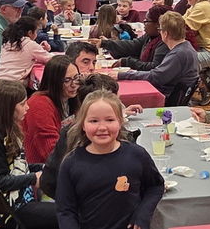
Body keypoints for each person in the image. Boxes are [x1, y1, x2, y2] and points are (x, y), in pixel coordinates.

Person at [56, 90, 164, 229]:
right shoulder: (71, 164)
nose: (102, 127)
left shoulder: (137, 155)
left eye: (110, 120)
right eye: (94, 121)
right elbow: (65, 210)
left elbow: (155, 186)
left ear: (120, 121)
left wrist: (142, 214)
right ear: (83, 124)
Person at [0, 80, 57, 229]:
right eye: (22, 104)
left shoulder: (10, 130)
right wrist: (33, 178)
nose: (27, 107)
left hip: (23, 197)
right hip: (15, 207)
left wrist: (43, 167)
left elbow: (18, 166)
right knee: (68, 214)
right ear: (7, 109)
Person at [108, 11, 198, 100]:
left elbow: (155, 77)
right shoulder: (186, 47)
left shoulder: (178, 54)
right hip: (173, 94)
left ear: (165, 34)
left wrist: (123, 75)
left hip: (168, 98)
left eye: (160, 30)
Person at [23, 55, 79, 164]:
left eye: (76, 78)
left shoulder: (72, 98)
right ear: (54, 81)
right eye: (67, 80)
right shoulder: (38, 105)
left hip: (66, 160)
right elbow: (50, 152)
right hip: (41, 168)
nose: (74, 85)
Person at [99, 5, 171, 71]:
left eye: (147, 21)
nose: (144, 23)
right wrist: (105, 43)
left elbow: (154, 68)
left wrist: (128, 62)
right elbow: (133, 45)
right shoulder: (150, 36)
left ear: (158, 24)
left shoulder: (165, 42)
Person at [0, 16, 54, 85]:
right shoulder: (30, 44)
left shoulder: (7, 43)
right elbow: (50, 59)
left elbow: (21, 55)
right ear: (30, 33)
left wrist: (39, 48)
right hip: (14, 85)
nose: (36, 34)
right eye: (36, 32)